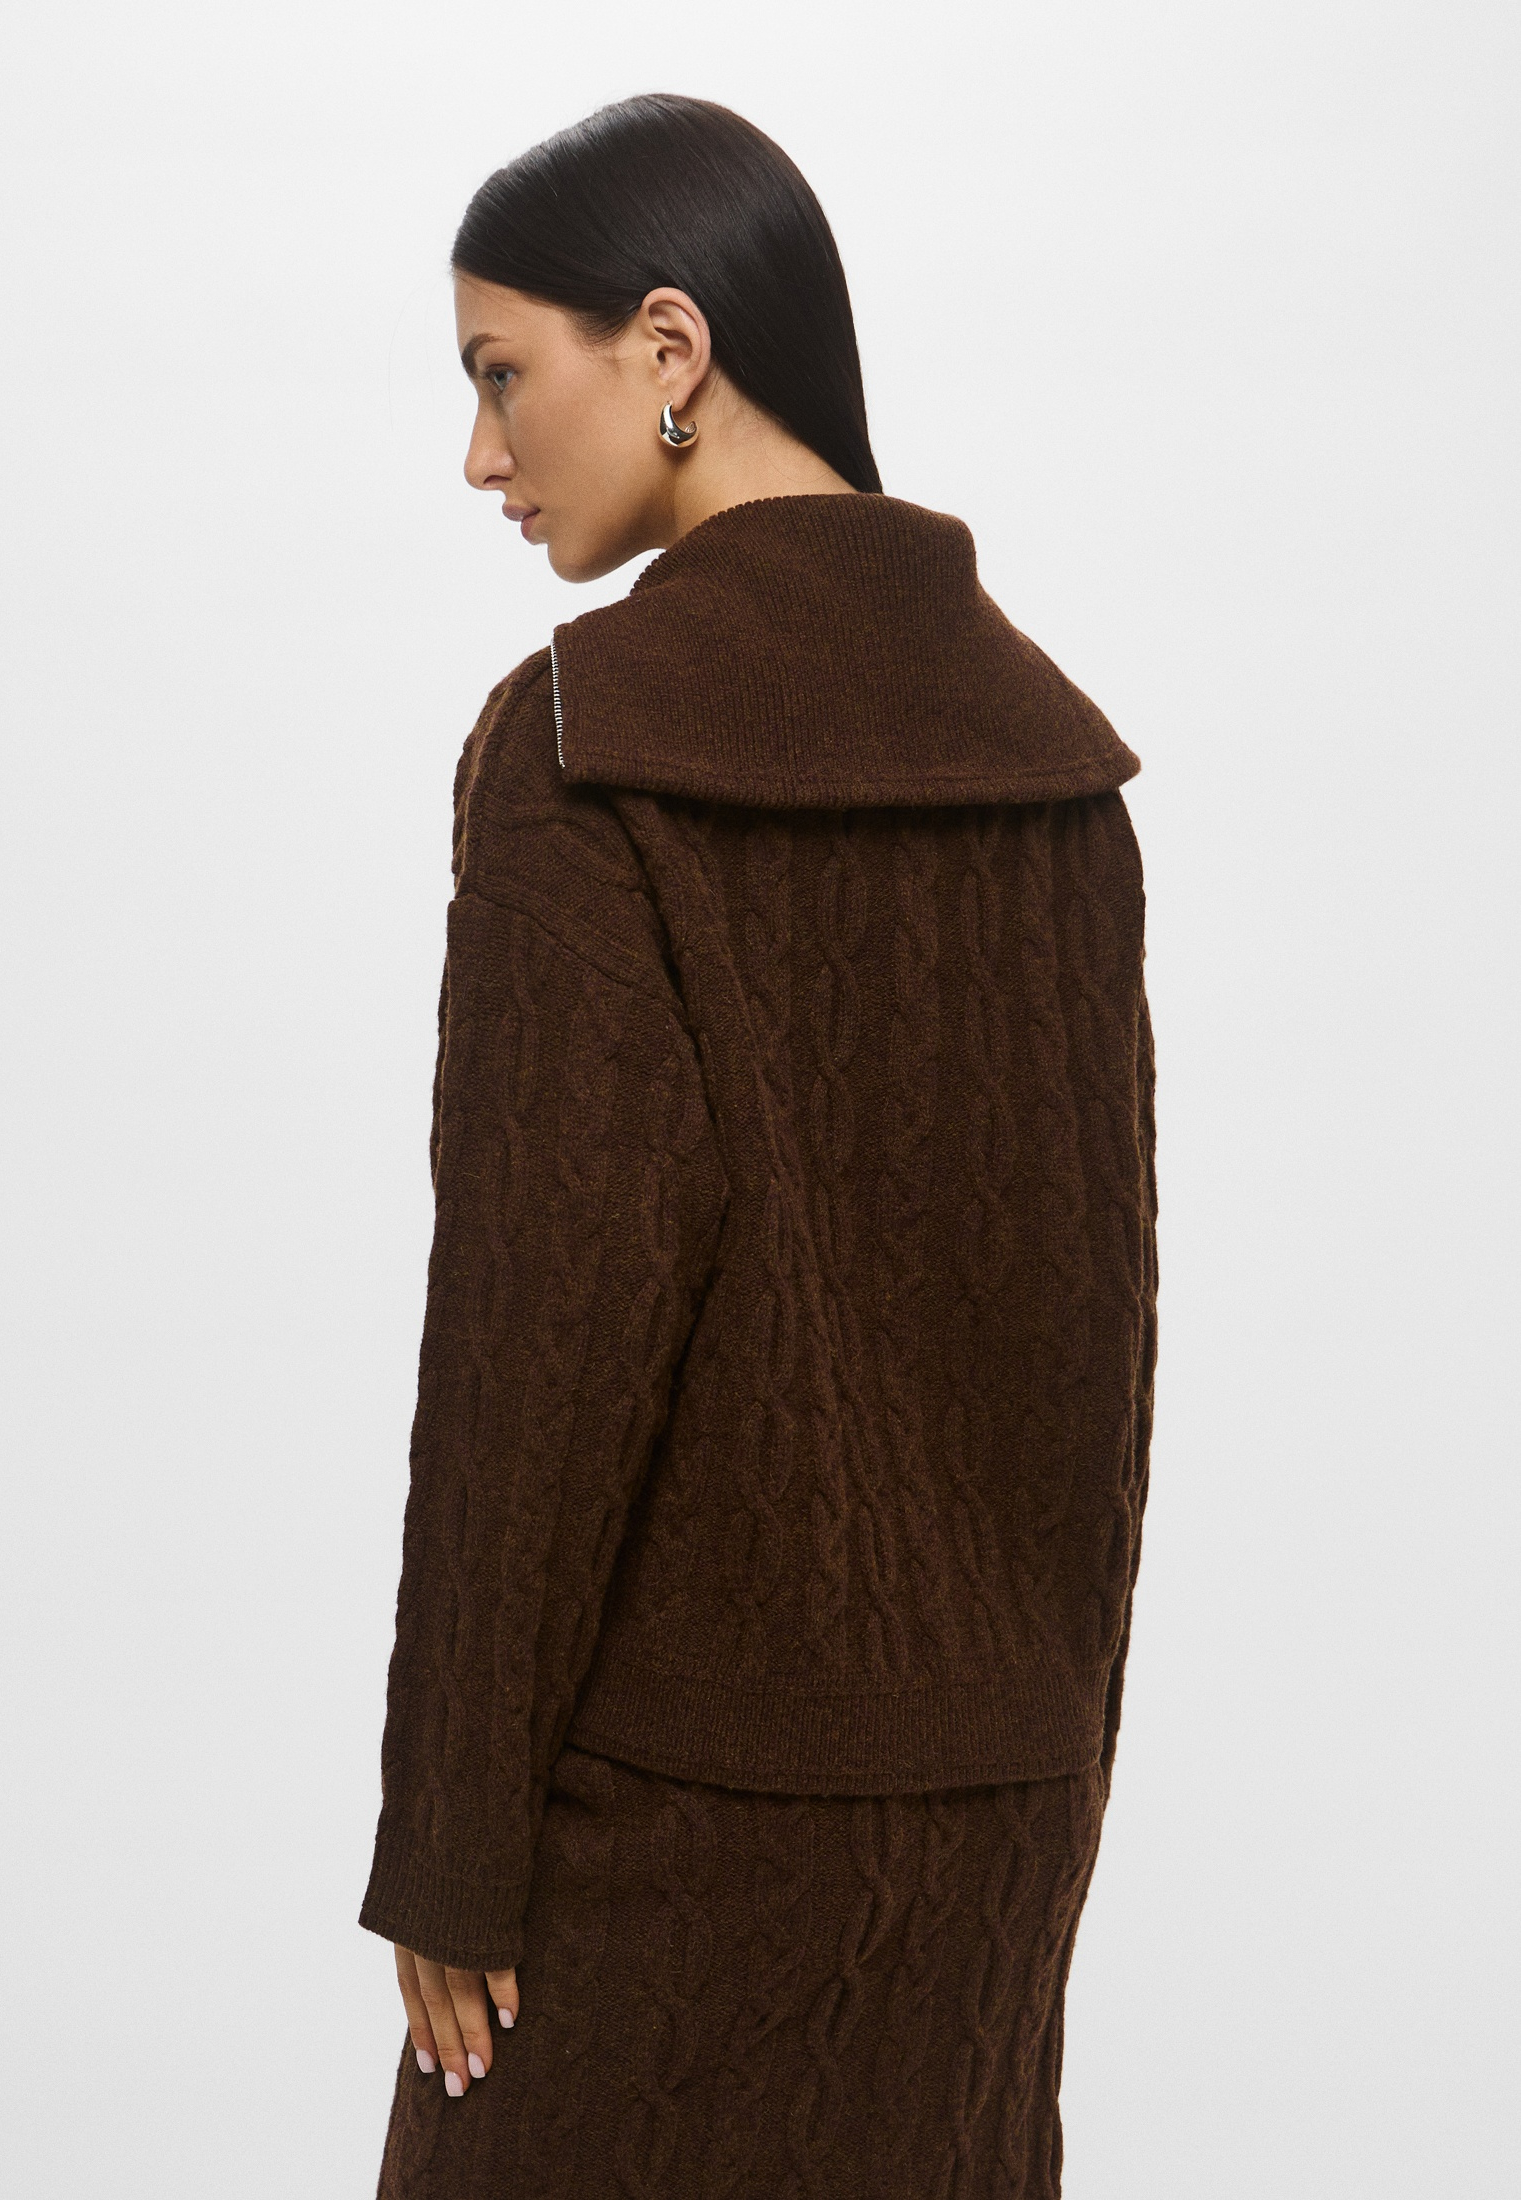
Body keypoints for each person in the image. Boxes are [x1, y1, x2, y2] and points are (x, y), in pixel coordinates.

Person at [360, 91, 1158, 2199]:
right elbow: (1098, 1360)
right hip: (993, 1825)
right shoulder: (1059, 769)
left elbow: (535, 1338)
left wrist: (448, 1844)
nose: (481, 455)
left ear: (671, 348)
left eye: (498, 374)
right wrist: (1051, 1783)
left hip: (655, 1838)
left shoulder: (584, 747)